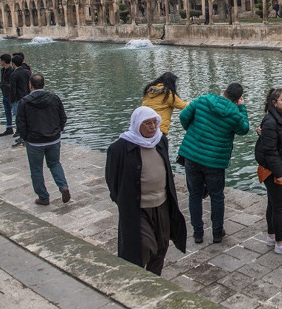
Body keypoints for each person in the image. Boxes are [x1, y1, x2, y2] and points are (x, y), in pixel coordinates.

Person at [105, 106, 187, 275]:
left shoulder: (161, 141)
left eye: (154, 123)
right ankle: (136, 276)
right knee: (144, 245)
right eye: (147, 123)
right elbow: (112, 180)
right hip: (138, 208)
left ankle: (154, 278)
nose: (152, 127)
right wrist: (123, 200)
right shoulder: (120, 148)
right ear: (136, 125)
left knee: (162, 245)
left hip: (162, 204)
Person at [178, 82, 249, 244]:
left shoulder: (203, 100)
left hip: (192, 156)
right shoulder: (235, 114)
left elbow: (183, 116)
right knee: (217, 196)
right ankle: (217, 233)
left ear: (224, 91)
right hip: (215, 161)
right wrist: (242, 108)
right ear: (238, 99)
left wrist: (192, 133)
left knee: (194, 195)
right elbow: (244, 129)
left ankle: (198, 233)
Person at [255, 88, 282, 255]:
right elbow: (270, 151)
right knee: (279, 206)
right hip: (273, 171)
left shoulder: (280, 118)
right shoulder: (271, 121)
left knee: (273, 204)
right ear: (274, 103)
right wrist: (280, 173)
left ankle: (272, 236)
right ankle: (280, 244)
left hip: (276, 168)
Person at [16, 73, 70, 205]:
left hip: (34, 142)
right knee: (55, 163)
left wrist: (25, 138)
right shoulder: (54, 98)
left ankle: (43, 197)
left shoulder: (24, 102)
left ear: (30, 86)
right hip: (53, 139)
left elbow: (20, 124)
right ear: (44, 84)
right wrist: (58, 130)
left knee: (36, 169)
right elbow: (63, 117)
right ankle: (63, 186)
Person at [141, 72, 188, 141]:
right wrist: (199, 103)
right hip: (159, 129)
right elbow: (183, 106)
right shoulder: (167, 94)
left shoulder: (148, 93)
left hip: (144, 129)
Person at [10, 53, 32, 146]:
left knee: (19, 119)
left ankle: (22, 139)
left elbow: (13, 89)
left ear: (13, 64)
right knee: (26, 118)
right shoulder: (27, 72)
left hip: (18, 99)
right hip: (27, 97)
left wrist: (12, 100)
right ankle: (25, 137)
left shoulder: (14, 74)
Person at [0, 53, 15, 136]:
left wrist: (4, 84)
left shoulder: (11, 70)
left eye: (1, 61)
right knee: (7, 111)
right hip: (4, 93)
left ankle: (19, 130)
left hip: (10, 94)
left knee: (15, 112)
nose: (0, 62)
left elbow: (11, 83)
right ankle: (9, 128)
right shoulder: (2, 70)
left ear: (3, 61)